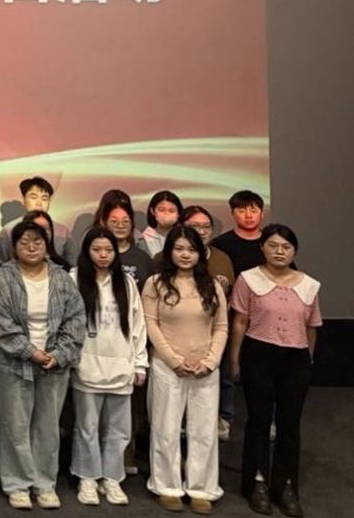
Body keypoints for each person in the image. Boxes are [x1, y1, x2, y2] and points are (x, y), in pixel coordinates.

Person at [0, 220, 86, 511]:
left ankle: (44, 484)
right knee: (15, 426)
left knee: (48, 427)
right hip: (13, 364)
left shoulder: (62, 278)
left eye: (38, 242)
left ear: (47, 245)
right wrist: (31, 352)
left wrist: (59, 354)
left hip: (55, 364)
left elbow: (76, 319)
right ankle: (17, 484)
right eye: (24, 242)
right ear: (14, 247)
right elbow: (2, 324)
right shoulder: (3, 277)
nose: (31, 247)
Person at [229, 225, 321, 518]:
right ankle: (257, 482)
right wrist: (235, 359)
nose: (279, 251)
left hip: (295, 359)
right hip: (258, 355)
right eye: (273, 245)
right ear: (262, 248)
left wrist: (307, 360)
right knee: (258, 420)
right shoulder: (248, 279)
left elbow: (311, 327)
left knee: (289, 424)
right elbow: (240, 321)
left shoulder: (309, 285)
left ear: (294, 251)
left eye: (286, 247)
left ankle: (286, 485)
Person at [143, 226, 228, 514]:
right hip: (168, 367)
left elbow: (221, 326)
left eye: (191, 249)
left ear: (200, 253)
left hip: (205, 368)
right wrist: (174, 360)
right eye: (179, 249)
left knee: (203, 431)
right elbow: (150, 324)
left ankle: (201, 488)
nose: (185, 254)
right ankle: (167, 486)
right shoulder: (155, 284)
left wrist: (210, 361)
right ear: (169, 251)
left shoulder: (212, 286)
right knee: (165, 429)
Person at [70, 227, 148, 506]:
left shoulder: (125, 283)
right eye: (97, 250)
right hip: (86, 366)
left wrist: (140, 363)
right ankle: (88, 477)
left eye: (108, 250)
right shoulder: (74, 279)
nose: (103, 255)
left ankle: (112, 478)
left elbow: (138, 325)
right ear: (86, 251)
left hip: (121, 367)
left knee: (119, 429)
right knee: (87, 427)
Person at [174, 205, 235, 441]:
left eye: (206, 226)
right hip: (179, 336)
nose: (201, 231)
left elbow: (230, 294)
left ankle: (221, 420)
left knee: (222, 377)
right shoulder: (166, 260)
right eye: (195, 226)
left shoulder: (222, 258)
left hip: (216, 331)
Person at [0, 176, 70, 261]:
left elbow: (70, 264)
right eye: (33, 197)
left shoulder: (63, 231)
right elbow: (4, 262)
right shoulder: (8, 230)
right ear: (23, 199)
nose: (39, 203)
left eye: (44, 198)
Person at [210, 189, 267, 276]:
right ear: (232, 213)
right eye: (242, 211)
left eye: (253, 211)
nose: (248, 216)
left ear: (262, 214)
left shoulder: (270, 241)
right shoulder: (220, 244)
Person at [141, 191, 183, 258]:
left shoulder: (184, 236)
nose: (166, 213)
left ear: (178, 213)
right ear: (152, 211)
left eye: (171, 211)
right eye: (161, 210)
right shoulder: (143, 239)